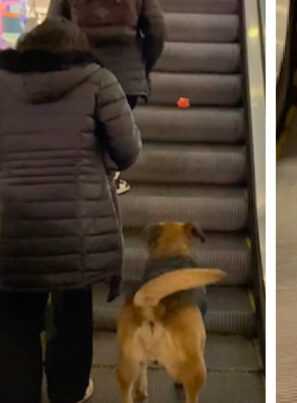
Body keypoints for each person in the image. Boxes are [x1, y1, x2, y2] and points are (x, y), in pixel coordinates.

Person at [0, 17, 141, 403]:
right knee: (73, 311)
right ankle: (69, 389)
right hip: (77, 226)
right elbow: (128, 152)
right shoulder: (99, 81)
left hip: (10, 223)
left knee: (14, 317)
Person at [48, 0, 166, 195]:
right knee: (116, 132)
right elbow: (157, 29)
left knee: (85, 131)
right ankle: (109, 177)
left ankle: (90, 182)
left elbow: (53, 26)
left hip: (80, 70)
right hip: (126, 73)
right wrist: (143, 63)